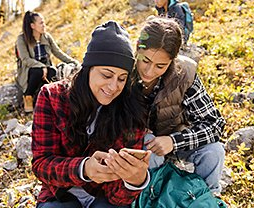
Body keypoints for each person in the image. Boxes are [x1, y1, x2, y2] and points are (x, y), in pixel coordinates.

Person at [32, 20, 151, 208]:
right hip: (60, 193)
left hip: (105, 196)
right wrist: (83, 168)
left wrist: (135, 181)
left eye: (122, 79)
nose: (113, 87)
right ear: (88, 68)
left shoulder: (131, 111)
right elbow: (41, 165)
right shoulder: (52, 97)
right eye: (106, 75)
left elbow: (119, 199)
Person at [134, 16, 226, 194]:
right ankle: (152, 198)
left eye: (160, 66)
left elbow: (215, 124)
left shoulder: (184, 74)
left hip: (177, 141)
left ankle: (205, 199)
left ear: (172, 61)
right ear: (138, 47)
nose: (149, 71)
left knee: (214, 151)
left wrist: (174, 141)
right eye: (145, 61)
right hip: (142, 146)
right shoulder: (124, 70)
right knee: (149, 149)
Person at [16, 11, 79, 113]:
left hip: (46, 67)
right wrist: (41, 67)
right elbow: (25, 59)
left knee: (53, 73)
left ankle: (52, 101)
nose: (44, 25)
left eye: (44, 22)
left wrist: (74, 62)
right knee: (38, 71)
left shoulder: (47, 37)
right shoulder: (22, 39)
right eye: (41, 23)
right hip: (29, 69)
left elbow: (58, 52)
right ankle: (28, 96)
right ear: (32, 25)